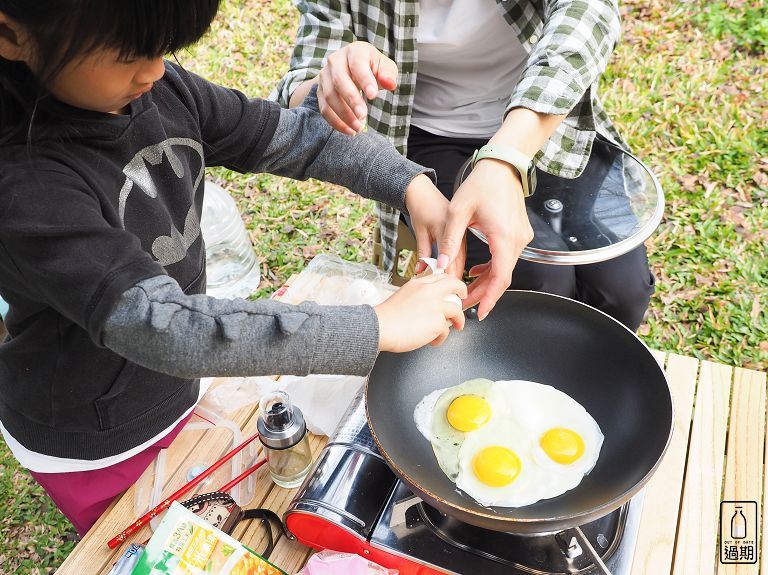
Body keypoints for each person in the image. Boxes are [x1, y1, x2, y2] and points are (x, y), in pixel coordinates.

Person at [0, 0, 467, 536]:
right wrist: (376, 325)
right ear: (12, 36)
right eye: (129, 54)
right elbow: (166, 328)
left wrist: (410, 185)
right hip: (100, 430)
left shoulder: (159, 87)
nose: (154, 71)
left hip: (175, 380)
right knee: (147, 544)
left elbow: (295, 137)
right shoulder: (25, 186)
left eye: (163, 49)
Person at [275, 0, 656, 329]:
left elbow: (590, 12)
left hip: (539, 119)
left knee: (623, 291)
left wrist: (506, 155)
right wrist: (331, 82)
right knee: (539, 282)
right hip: (428, 135)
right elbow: (295, 90)